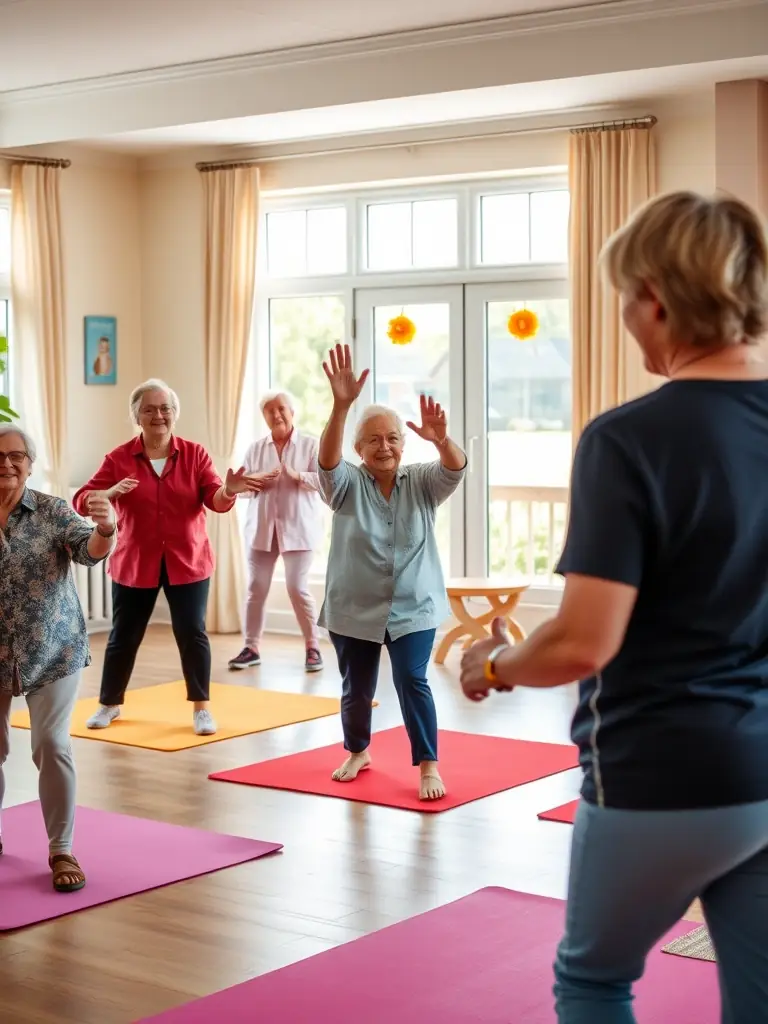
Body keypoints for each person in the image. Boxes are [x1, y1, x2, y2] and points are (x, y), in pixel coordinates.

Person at [459, 191, 768, 1023]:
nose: (627, 320)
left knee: (594, 981)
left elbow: (583, 643)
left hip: (662, 769)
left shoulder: (628, 439)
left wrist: (492, 662)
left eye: (626, 300)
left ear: (658, 299)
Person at [317, 343, 466, 802]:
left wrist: (441, 440)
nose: (385, 446)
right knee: (356, 689)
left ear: (404, 444)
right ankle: (358, 750)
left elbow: (455, 469)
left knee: (411, 679)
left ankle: (427, 764)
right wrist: (341, 406)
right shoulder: (345, 485)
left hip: (413, 607)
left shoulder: (422, 481)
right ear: (359, 448)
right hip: (354, 606)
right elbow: (326, 462)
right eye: (374, 440)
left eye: (393, 438)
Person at [72, 379, 259, 737]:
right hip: (134, 562)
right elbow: (82, 499)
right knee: (123, 636)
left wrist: (229, 491)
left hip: (187, 560)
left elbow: (214, 501)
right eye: (149, 409)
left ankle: (201, 708)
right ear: (136, 417)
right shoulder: (119, 458)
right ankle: (109, 703)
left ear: (174, 414)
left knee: (192, 633)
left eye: (165, 409)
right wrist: (106, 494)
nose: (158, 415)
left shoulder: (195, 454)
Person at [0, 425, 115, 892]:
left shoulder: (50, 510)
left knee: (50, 744)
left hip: (53, 647)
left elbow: (89, 550)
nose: (6, 464)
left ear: (31, 463)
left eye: (16, 456)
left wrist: (106, 528)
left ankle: (61, 849)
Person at [229, 390, 324, 673]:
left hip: (299, 530)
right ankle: (251, 647)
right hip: (262, 531)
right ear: (264, 417)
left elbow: (328, 482)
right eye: (270, 411)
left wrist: (299, 476)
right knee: (255, 589)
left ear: (292, 412)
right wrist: (248, 484)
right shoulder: (256, 449)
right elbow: (243, 491)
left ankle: (313, 646)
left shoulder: (310, 445)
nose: (277, 414)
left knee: (297, 588)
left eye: (281, 408)